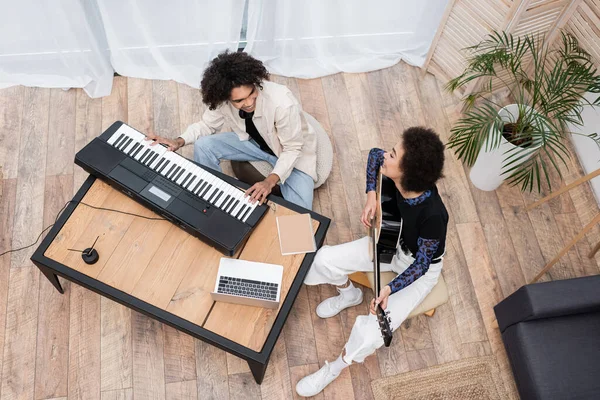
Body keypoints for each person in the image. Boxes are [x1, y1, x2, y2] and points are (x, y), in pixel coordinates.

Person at [296, 127, 448, 397]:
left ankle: (334, 368)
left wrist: (390, 289)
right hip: (390, 240)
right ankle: (348, 294)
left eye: (392, 155)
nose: (385, 156)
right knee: (321, 261)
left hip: (416, 270)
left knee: (372, 333)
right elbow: (373, 156)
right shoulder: (395, 173)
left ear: (407, 172)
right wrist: (371, 195)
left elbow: (422, 264)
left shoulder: (434, 216)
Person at [147, 50, 317, 210]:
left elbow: (293, 148)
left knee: (301, 213)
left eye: (252, 93)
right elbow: (206, 125)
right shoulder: (223, 100)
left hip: (291, 153)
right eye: (240, 101)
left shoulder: (282, 103)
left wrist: (270, 180)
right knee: (203, 146)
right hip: (255, 144)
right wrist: (178, 141)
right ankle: (213, 197)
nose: (249, 103)